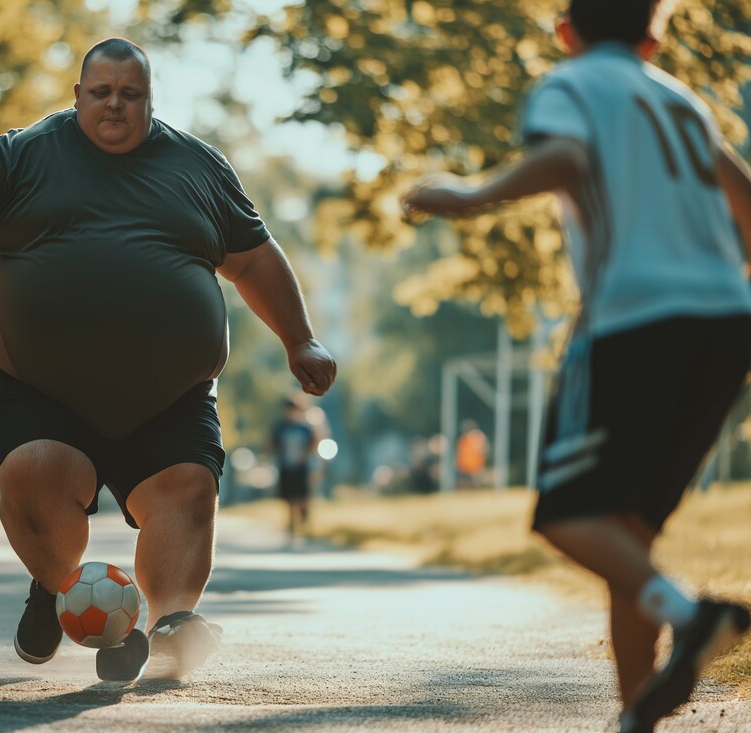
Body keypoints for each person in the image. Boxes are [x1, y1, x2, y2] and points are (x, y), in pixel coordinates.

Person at [0, 37, 337, 682]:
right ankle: (61, 587)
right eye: (102, 92)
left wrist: (300, 339)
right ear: (77, 95)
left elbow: (253, 259)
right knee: (32, 473)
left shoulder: (198, 167)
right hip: (40, 390)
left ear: (149, 100)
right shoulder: (21, 154)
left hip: (169, 396)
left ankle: (168, 625)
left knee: (188, 489)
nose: (116, 104)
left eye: (130, 94)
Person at [402, 2, 751, 731]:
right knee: (630, 532)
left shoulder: (572, 84)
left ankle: (691, 617)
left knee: (568, 515)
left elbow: (567, 157)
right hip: (724, 324)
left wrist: (471, 197)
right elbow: (743, 197)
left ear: (564, 31)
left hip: (636, 321)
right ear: (656, 34)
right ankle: (636, 715)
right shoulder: (684, 102)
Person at [269, 395, 319, 539]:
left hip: (302, 466)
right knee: (289, 497)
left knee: (303, 496)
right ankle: (291, 523)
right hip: (286, 465)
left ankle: (305, 521)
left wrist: (305, 457)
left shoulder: (305, 428)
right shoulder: (280, 427)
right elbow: (272, 444)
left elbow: (313, 444)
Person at [455, 419, 488, 489]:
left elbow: (482, 451)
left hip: (476, 467)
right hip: (464, 467)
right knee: (464, 485)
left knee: (476, 484)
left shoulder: (478, 438)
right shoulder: (463, 439)